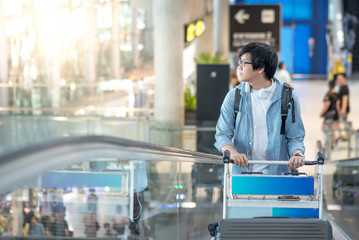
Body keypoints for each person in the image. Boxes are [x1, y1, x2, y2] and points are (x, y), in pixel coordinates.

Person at [214, 42, 306, 175]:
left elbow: (295, 137)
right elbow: (222, 134)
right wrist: (232, 153)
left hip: (278, 176)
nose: (239, 67)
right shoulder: (234, 96)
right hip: (244, 177)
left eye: (244, 63)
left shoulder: (287, 97)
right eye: (239, 62)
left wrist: (297, 153)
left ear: (260, 68)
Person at [320, 80, 339, 149]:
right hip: (335, 114)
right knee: (332, 130)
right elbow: (337, 105)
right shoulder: (336, 94)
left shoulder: (328, 94)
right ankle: (332, 145)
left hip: (328, 115)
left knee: (324, 128)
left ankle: (328, 143)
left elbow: (327, 104)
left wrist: (321, 113)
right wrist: (338, 114)